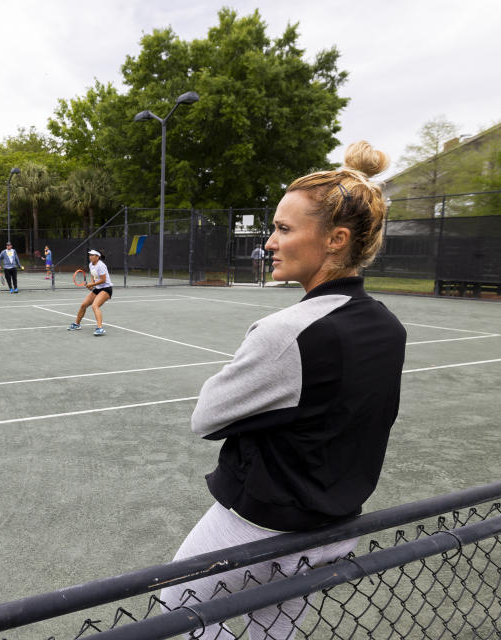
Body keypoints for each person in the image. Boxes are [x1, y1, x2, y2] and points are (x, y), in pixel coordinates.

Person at [160, 141, 406, 640]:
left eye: (283, 229)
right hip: (335, 527)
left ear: (336, 239)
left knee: (177, 611)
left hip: (261, 524)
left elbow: (206, 417)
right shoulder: (388, 326)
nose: (269, 242)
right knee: (275, 628)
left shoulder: (288, 330)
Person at [67, 249, 112, 336]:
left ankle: (100, 328)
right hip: (98, 288)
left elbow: (103, 280)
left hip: (106, 288)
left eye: (92, 255)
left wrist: (93, 284)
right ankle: (77, 324)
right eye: (89, 255)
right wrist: (91, 285)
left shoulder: (101, 265)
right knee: (83, 305)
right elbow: (93, 276)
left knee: (95, 305)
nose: (90, 257)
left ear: (97, 257)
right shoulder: (91, 264)